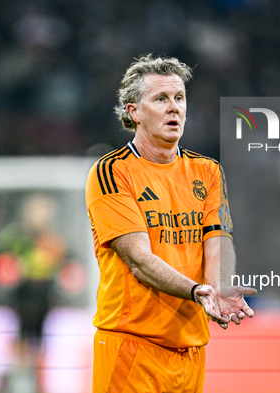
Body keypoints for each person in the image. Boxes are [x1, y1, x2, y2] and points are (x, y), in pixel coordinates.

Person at [85, 54, 256, 393]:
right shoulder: (111, 172)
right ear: (133, 112)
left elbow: (217, 242)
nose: (174, 107)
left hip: (191, 350)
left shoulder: (207, 171)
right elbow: (138, 259)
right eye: (160, 99)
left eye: (179, 98)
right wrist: (197, 291)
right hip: (130, 345)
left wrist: (219, 287)